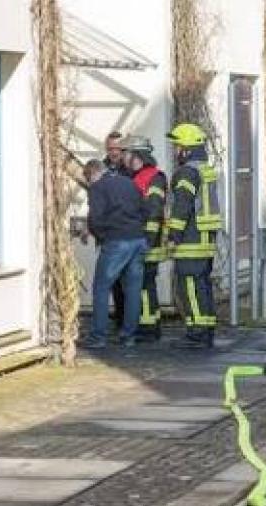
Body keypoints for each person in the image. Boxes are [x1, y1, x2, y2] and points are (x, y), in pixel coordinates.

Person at [81, 159, 148, 349]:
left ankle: (98, 337)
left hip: (116, 241)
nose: (89, 184)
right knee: (133, 290)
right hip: (138, 239)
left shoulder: (97, 188)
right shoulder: (128, 182)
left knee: (101, 288)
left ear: (93, 174)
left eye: (88, 180)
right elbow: (145, 209)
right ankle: (129, 336)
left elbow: (95, 218)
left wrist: (103, 237)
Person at [166, 123, 221, 349]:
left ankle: (197, 334)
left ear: (186, 149)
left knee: (189, 285)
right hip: (206, 238)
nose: (175, 151)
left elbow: (182, 206)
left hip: (191, 238)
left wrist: (173, 235)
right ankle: (205, 330)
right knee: (202, 286)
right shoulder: (204, 169)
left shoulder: (187, 172)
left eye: (177, 146)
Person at [121, 135, 168, 341]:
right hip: (136, 239)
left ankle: (148, 328)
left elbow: (154, 210)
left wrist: (148, 240)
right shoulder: (134, 177)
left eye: (127, 153)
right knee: (140, 284)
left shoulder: (154, 177)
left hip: (147, 241)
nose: (124, 157)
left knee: (144, 284)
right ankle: (147, 324)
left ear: (137, 155)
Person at [104, 131, 131, 329]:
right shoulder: (102, 168)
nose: (114, 152)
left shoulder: (129, 170)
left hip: (126, 230)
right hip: (109, 232)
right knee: (112, 278)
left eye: (117, 148)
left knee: (127, 279)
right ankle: (119, 317)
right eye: (110, 148)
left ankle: (127, 320)